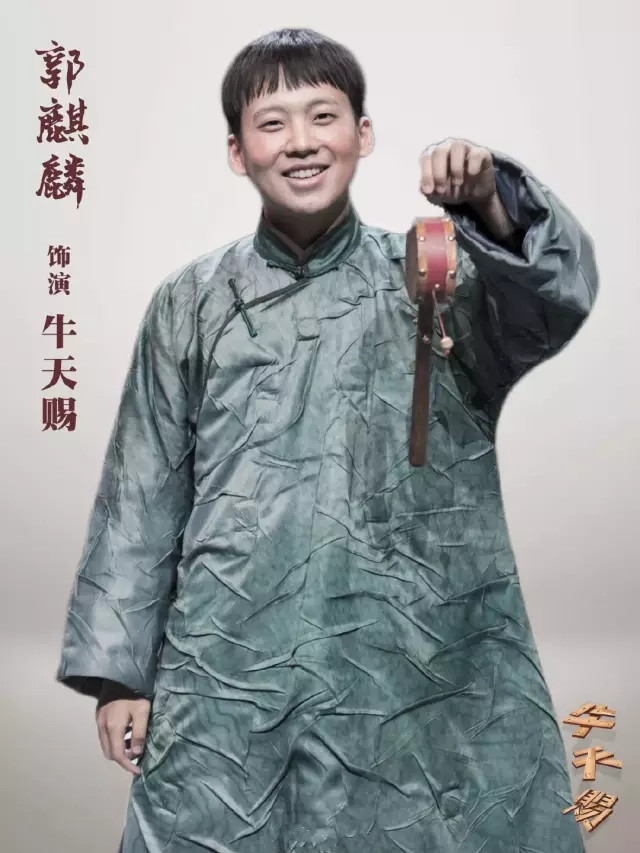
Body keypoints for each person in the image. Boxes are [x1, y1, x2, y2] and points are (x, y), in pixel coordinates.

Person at [56, 27, 598, 853]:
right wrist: (119, 673)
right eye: (271, 124)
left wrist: (494, 201)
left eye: (323, 116)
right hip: (232, 657)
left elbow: (552, 300)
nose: (301, 142)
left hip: (420, 652)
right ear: (236, 151)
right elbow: (142, 486)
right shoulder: (190, 302)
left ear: (363, 133)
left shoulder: (434, 275)